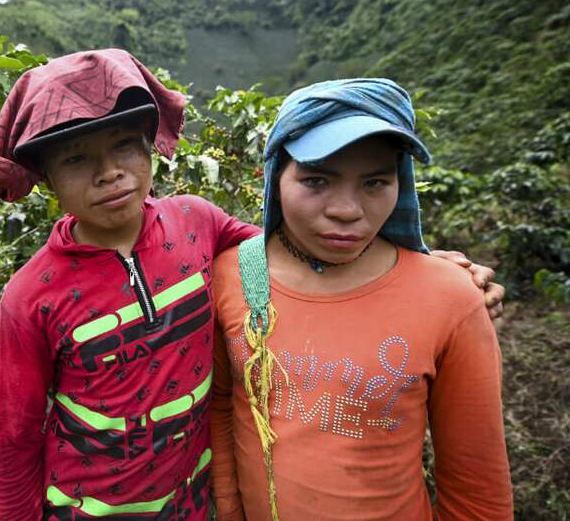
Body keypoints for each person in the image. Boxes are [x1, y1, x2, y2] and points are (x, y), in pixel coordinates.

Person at [0, 51, 506, 520]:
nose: (109, 173)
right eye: (77, 158)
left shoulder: (197, 223)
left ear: (151, 148)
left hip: (195, 503)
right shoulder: (33, 295)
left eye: (126, 146)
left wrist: (432, 269)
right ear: (45, 175)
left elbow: (289, 248)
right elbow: (14, 436)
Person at [209, 78, 513, 520]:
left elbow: (475, 487)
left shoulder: (450, 298)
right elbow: (222, 406)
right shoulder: (232, 276)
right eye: (316, 180)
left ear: (400, 183)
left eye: (374, 182)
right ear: (277, 176)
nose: (347, 210)